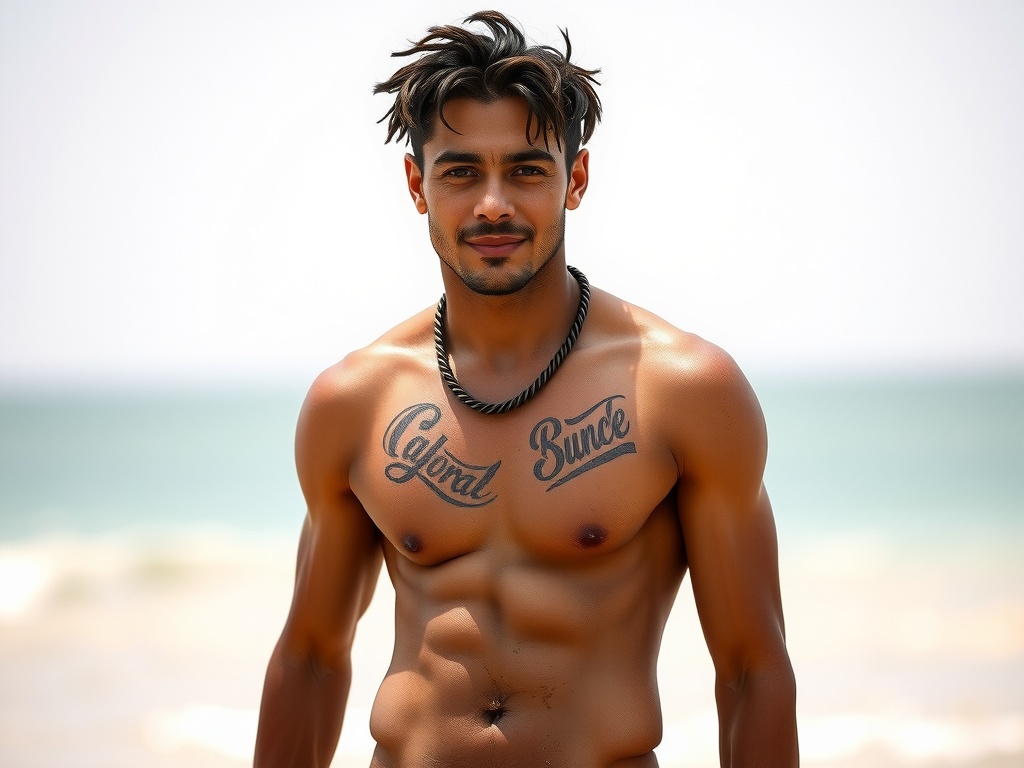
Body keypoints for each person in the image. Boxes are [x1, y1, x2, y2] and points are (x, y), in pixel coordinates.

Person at [255, 10, 797, 767]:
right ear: (418, 184)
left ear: (575, 179)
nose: (493, 205)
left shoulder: (683, 390)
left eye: (528, 169)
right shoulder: (356, 400)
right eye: (461, 171)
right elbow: (311, 658)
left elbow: (752, 670)